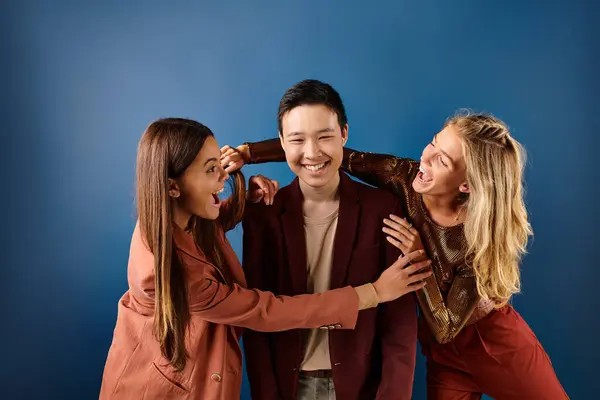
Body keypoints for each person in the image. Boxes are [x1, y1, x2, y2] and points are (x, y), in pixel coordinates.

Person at [221, 111, 568, 399]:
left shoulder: (477, 240)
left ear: (466, 185)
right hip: (443, 355)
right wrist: (248, 153)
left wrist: (419, 259)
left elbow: (447, 325)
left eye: (441, 160)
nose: (424, 160)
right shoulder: (404, 175)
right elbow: (336, 154)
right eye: (432, 144)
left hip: (494, 343)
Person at [99, 118, 432, 400]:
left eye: (220, 163)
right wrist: (373, 292)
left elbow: (208, 228)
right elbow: (264, 311)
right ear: (173, 187)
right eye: (211, 169)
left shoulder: (174, 214)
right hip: (159, 388)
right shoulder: (169, 270)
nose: (223, 177)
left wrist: (245, 198)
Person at [239, 80, 418, 400]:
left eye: (325, 136)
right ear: (281, 142)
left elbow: (399, 324)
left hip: (363, 385)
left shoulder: (383, 208)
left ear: (344, 134)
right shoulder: (263, 214)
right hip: (290, 386)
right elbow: (256, 322)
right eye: (297, 139)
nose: (312, 152)